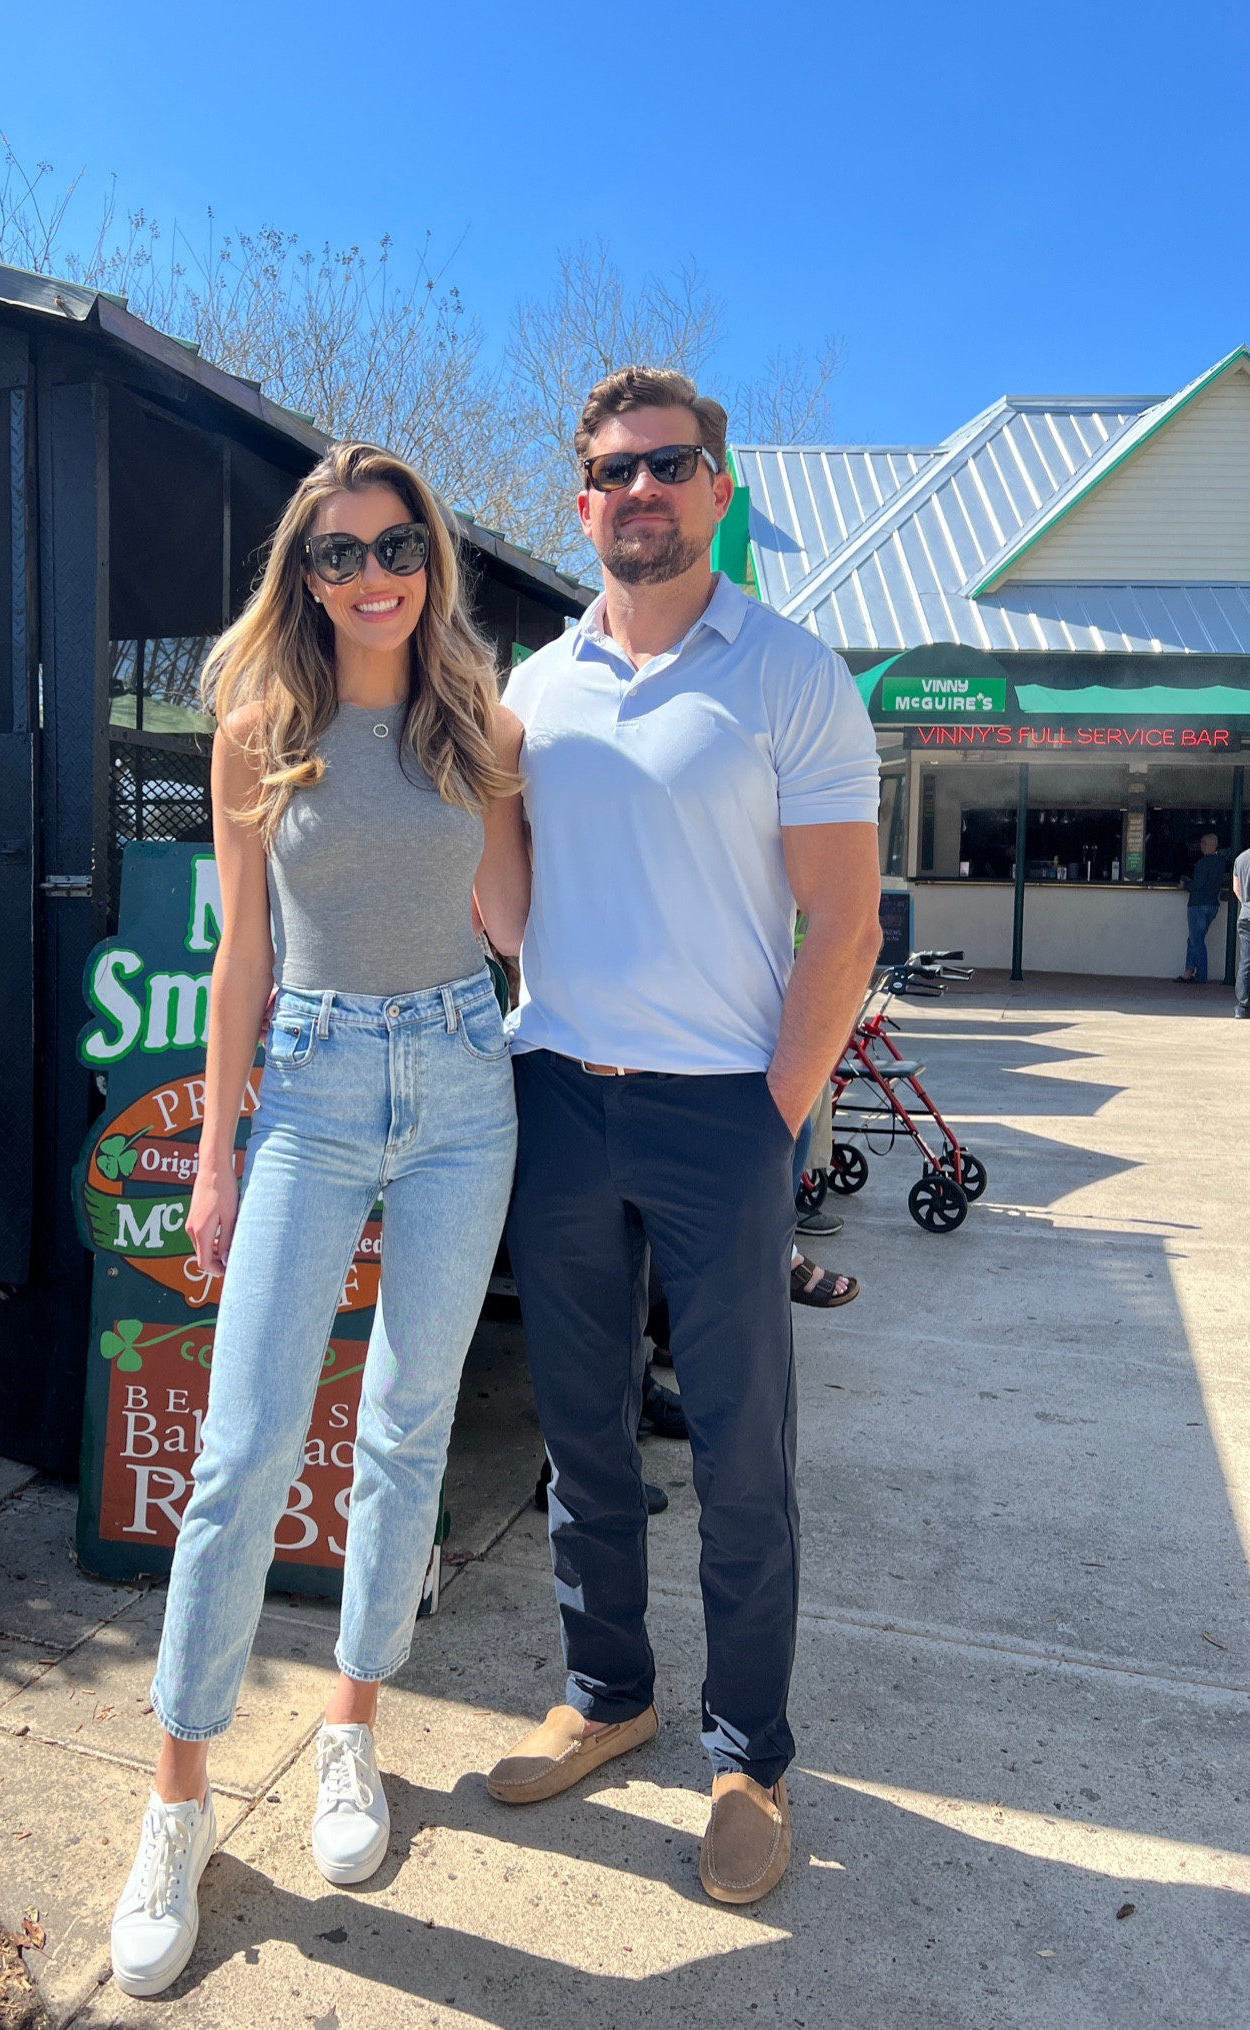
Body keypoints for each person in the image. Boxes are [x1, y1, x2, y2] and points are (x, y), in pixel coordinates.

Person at [109, 444, 529, 1998]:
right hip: (312, 1078)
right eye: (338, 552)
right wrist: (216, 1155)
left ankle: (352, 1724)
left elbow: (517, 922)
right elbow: (241, 957)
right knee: (244, 1446)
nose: (372, 575)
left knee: (408, 1423)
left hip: (466, 1079)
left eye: (397, 545)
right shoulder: (258, 728)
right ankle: (178, 1800)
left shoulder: (476, 720)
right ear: (302, 573)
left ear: (431, 559)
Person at [488, 367, 882, 1908]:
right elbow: (508, 907)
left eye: (668, 464)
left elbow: (844, 924)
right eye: (612, 470)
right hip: (561, 1095)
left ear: (716, 486)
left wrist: (773, 1115)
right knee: (583, 1431)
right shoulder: (535, 687)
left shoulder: (789, 673)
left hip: (725, 1105)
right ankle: (608, 1694)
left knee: (740, 1448)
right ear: (581, 501)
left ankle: (748, 1753)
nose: (639, 490)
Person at [1174, 831, 1228, 982]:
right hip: (1212, 905)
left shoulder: (1203, 863)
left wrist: (1185, 884)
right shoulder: (1221, 862)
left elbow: (1197, 884)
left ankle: (1201, 975)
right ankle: (1188, 971)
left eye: (1202, 843)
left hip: (1198, 904)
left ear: (1205, 845)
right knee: (1194, 939)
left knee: (1196, 941)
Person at [1234, 840, 1250, 1019]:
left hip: (1245, 915)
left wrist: (1246, 904)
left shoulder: (1240, 859)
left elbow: (1236, 889)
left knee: (1245, 962)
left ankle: (1242, 1006)